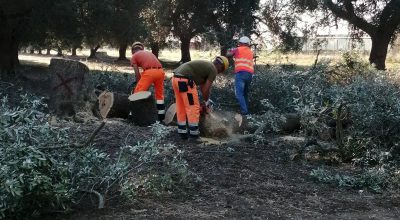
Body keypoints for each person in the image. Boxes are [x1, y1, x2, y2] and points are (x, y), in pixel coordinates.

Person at [172, 56, 229, 139]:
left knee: (181, 106)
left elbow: (203, 88)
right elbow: (206, 89)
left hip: (176, 79)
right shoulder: (213, 69)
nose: (219, 73)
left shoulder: (207, 66)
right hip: (186, 81)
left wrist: (206, 100)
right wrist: (207, 102)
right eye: (221, 71)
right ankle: (194, 134)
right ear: (221, 67)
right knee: (193, 107)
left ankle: (182, 132)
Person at [131, 42, 165, 121]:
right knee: (159, 95)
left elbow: (137, 74)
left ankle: (134, 115)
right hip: (160, 71)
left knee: (137, 94)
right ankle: (161, 117)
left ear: (133, 51)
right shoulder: (149, 53)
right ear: (142, 49)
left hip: (149, 72)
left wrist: (137, 84)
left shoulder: (134, 56)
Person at [226, 36, 254, 115]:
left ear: (240, 43)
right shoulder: (250, 51)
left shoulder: (237, 49)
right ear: (248, 44)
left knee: (239, 94)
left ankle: (244, 111)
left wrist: (229, 49)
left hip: (241, 73)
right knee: (245, 93)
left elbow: (228, 54)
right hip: (249, 74)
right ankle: (246, 111)